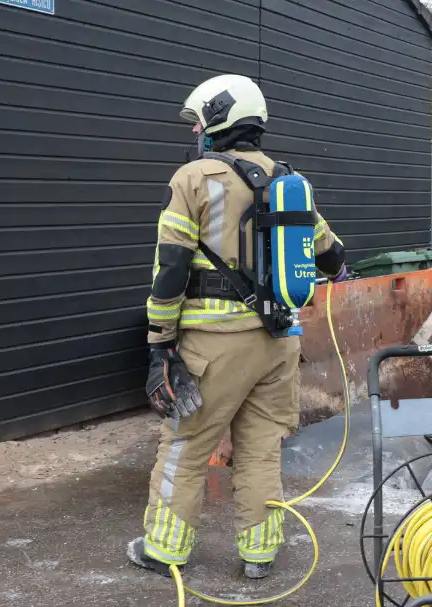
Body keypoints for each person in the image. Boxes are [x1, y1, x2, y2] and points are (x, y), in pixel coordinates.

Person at [127, 74, 348, 580]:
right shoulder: (290, 182)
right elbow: (333, 256)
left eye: (200, 122)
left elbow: (170, 271)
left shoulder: (192, 180)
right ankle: (259, 555)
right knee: (261, 448)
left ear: (219, 120)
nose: (196, 133)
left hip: (213, 347)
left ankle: (164, 550)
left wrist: (159, 347)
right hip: (278, 343)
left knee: (184, 446)